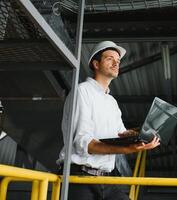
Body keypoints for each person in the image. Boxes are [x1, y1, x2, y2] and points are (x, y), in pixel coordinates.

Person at [57, 41, 160, 200]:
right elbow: (84, 143)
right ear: (96, 64)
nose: (116, 63)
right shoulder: (82, 91)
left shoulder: (111, 102)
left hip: (107, 179)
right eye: (110, 59)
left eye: (118, 61)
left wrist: (142, 133)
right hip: (79, 179)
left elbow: (121, 134)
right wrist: (128, 150)